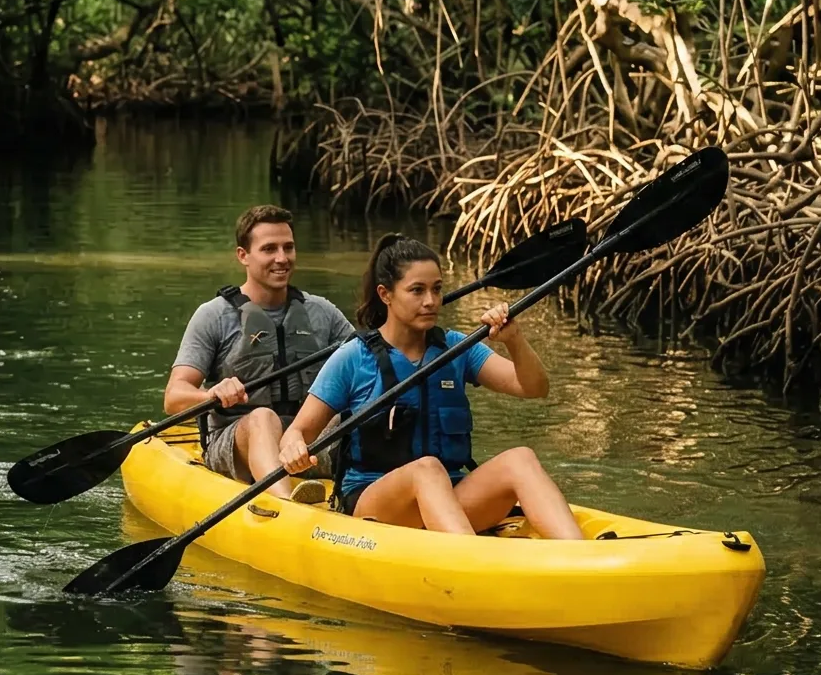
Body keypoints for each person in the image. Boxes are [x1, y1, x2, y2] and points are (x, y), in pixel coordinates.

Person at [277, 233, 585, 539]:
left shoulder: (455, 347)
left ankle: (579, 556)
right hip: (377, 505)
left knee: (520, 458)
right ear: (386, 294)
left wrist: (514, 340)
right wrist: (293, 448)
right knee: (426, 469)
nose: (431, 301)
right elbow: (299, 432)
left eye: (437, 290)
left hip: (449, 498)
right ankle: (474, 564)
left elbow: (533, 388)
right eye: (417, 291)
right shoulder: (354, 357)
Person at [166, 205, 355, 502]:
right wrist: (211, 395)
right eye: (269, 249)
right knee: (262, 418)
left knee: (361, 413)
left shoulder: (323, 313)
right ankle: (284, 504)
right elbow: (174, 398)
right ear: (243, 255)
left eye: (288, 248)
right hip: (236, 442)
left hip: (307, 441)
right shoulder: (213, 316)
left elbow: (367, 366)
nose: (282, 258)